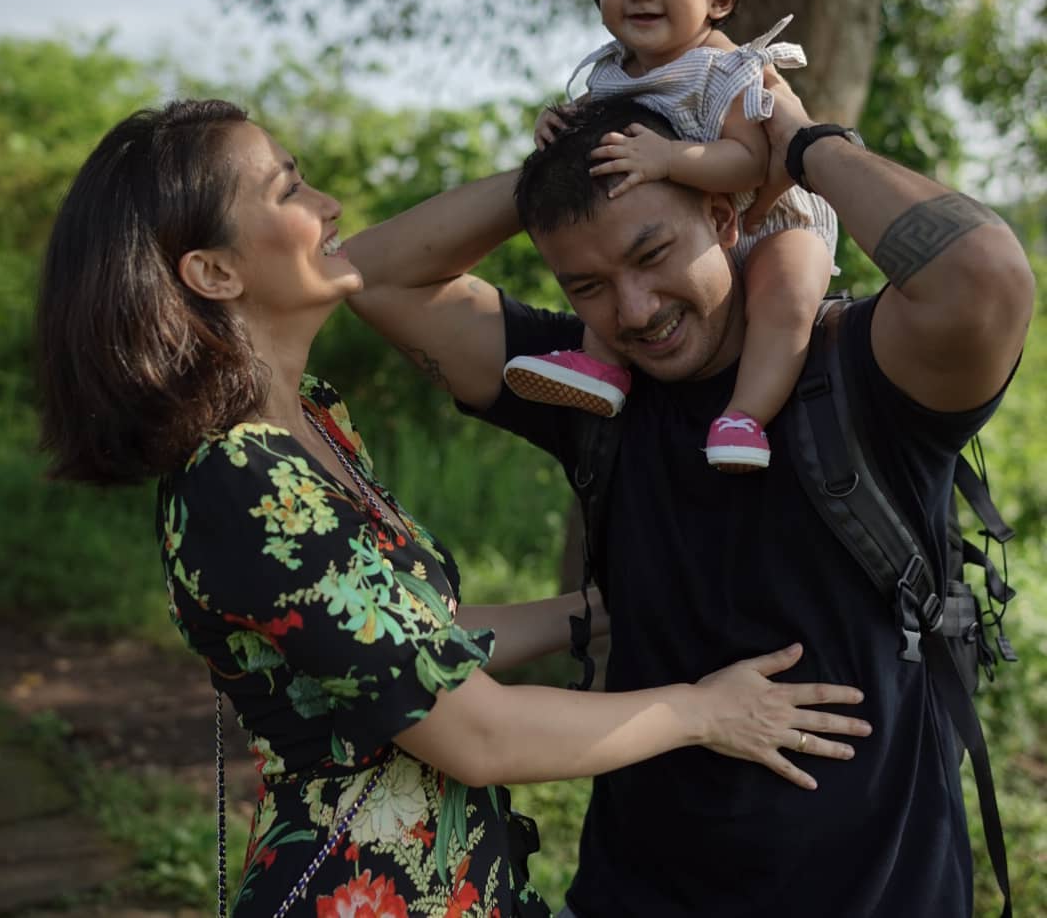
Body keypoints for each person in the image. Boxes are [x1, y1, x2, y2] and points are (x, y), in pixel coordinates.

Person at [35, 99, 872, 918]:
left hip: (450, 883)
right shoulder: (239, 479)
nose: (327, 206)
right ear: (214, 272)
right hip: (362, 893)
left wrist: (597, 611)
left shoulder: (311, 422)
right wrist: (706, 711)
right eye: (289, 191)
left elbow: (412, 642)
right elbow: (480, 737)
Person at [347, 84, 1034, 917]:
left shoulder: (862, 371)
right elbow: (371, 275)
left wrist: (799, 143)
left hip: (881, 892)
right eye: (588, 285)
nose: (635, 311)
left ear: (723, 216)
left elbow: (985, 275)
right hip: (640, 891)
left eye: (650, 254)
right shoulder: (588, 390)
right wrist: (555, 166)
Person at [503, 0, 838, 472]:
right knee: (619, 266)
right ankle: (602, 365)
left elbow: (750, 161)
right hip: (688, 236)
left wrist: (665, 158)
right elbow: (596, 144)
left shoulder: (727, 68)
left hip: (771, 221)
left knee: (787, 293)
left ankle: (746, 415)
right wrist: (558, 130)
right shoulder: (608, 74)